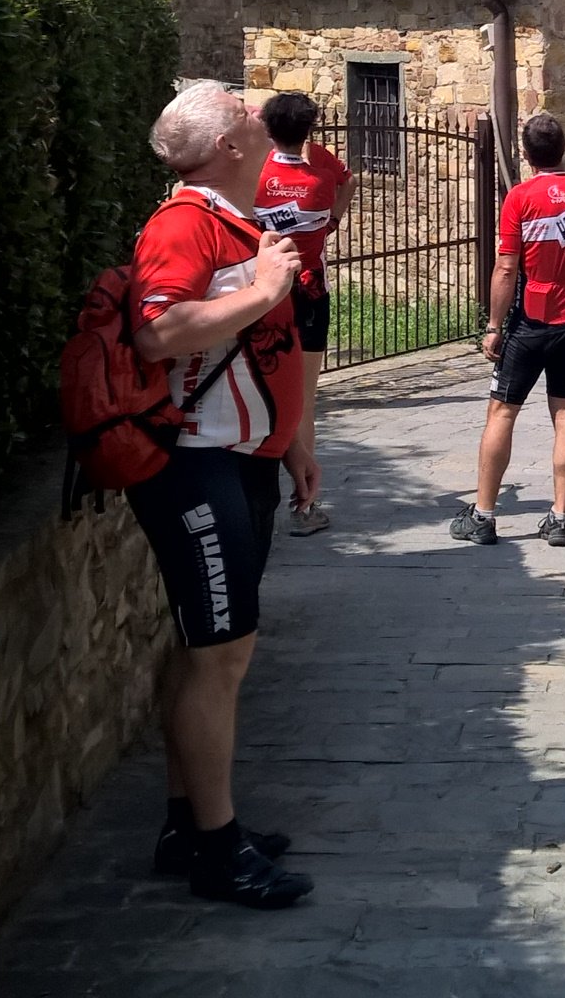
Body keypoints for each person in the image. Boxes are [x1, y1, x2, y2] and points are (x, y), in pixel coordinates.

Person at [124, 81, 320, 909]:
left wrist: (295, 441)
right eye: (242, 112)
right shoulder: (182, 225)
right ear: (228, 147)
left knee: (207, 649)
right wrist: (264, 290)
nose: (257, 113)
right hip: (195, 465)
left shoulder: (234, 218)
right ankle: (216, 848)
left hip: (240, 459)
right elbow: (157, 333)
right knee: (222, 655)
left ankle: (190, 826)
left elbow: (267, 348)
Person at [455, 113, 565, 547]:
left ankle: (483, 516)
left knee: (502, 412)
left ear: (526, 155)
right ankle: (560, 518)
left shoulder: (521, 197)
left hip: (531, 320)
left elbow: (506, 268)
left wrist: (493, 326)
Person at [253, 91, 347, 530]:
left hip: (261, 296)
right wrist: (332, 222)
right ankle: (305, 507)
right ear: (308, 130)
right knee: (304, 399)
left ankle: (253, 495)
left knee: (255, 390)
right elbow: (348, 181)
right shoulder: (321, 177)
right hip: (309, 294)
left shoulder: (255, 174)